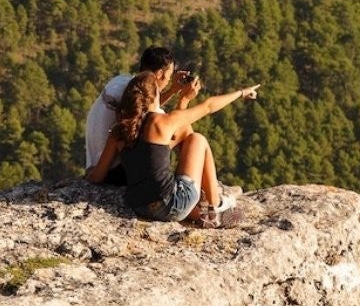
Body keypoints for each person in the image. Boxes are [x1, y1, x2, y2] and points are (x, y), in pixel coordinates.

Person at [86, 61, 259, 228]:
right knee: (197, 140)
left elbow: (97, 176)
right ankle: (216, 205)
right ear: (155, 96)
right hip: (170, 204)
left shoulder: (119, 130)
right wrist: (241, 93)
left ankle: (202, 212)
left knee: (165, 183)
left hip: (139, 206)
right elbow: (208, 106)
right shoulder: (161, 122)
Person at [84, 46, 193, 185]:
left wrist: (172, 90)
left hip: (95, 165)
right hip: (112, 171)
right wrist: (185, 100)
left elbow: (146, 104)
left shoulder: (122, 82)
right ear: (160, 73)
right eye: (169, 76)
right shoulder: (140, 97)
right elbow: (171, 128)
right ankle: (184, 185)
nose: (168, 80)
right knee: (184, 131)